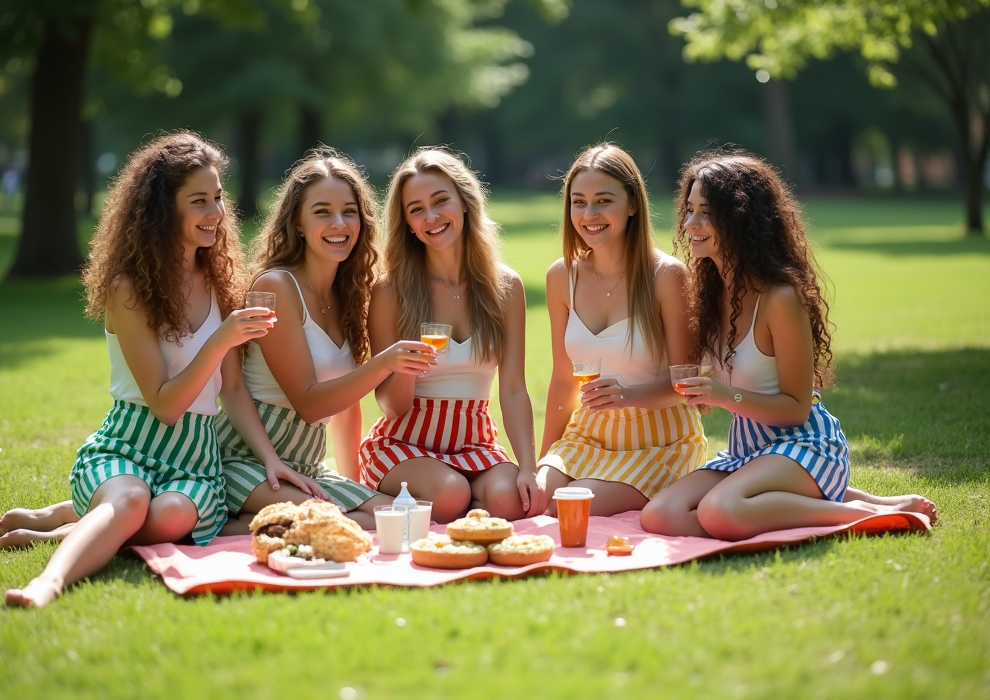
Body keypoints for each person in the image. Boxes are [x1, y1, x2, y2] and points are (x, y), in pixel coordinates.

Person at [3, 132, 285, 607]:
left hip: (194, 459)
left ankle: (68, 526)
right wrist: (220, 340)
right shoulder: (128, 289)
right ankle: (47, 583)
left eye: (218, 197)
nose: (216, 212)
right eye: (199, 201)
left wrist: (270, 458)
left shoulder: (219, 283)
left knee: (173, 515)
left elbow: (232, 391)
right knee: (131, 500)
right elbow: (165, 402)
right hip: (130, 442)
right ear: (161, 208)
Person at [640, 151, 937, 540]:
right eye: (689, 210)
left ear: (741, 219)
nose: (689, 223)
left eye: (705, 213)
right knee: (659, 515)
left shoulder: (780, 298)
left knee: (719, 510)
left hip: (805, 444)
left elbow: (797, 409)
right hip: (747, 452)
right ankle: (827, 503)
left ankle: (854, 512)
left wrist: (725, 395)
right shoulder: (710, 294)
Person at [215, 148, 435, 531]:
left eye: (349, 211)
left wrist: (356, 483)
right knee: (333, 523)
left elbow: (346, 407)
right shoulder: (277, 286)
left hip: (305, 464)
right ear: (297, 223)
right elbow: (311, 405)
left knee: (400, 517)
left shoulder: (349, 294)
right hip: (244, 460)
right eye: (322, 212)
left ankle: (252, 522)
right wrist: (384, 363)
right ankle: (213, 523)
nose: (339, 223)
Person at [358, 148, 545, 523]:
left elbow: (513, 389)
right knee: (449, 493)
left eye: (441, 201)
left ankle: (463, 509)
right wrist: (407, 367)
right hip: (403, 444)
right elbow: (392, 407)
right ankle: (452, 508)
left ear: (464, 203)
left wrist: (529, 467)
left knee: (514, 503)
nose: (431, 217)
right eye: (416, 209)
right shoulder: (390, 292)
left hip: (474, 442)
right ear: (408, 223)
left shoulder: (506, 286)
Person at [537, 144, 708, 517]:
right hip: (588, 434)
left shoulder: (666, 276)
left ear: (632, 204)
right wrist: (544, 461)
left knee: (566, 507)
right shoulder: (561, 276)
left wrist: (628, 394)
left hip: (658, 439)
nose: (589, 214)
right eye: (578, 202)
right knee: (537, 501)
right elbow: (563, 381)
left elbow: (686, 382)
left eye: (603, 201)